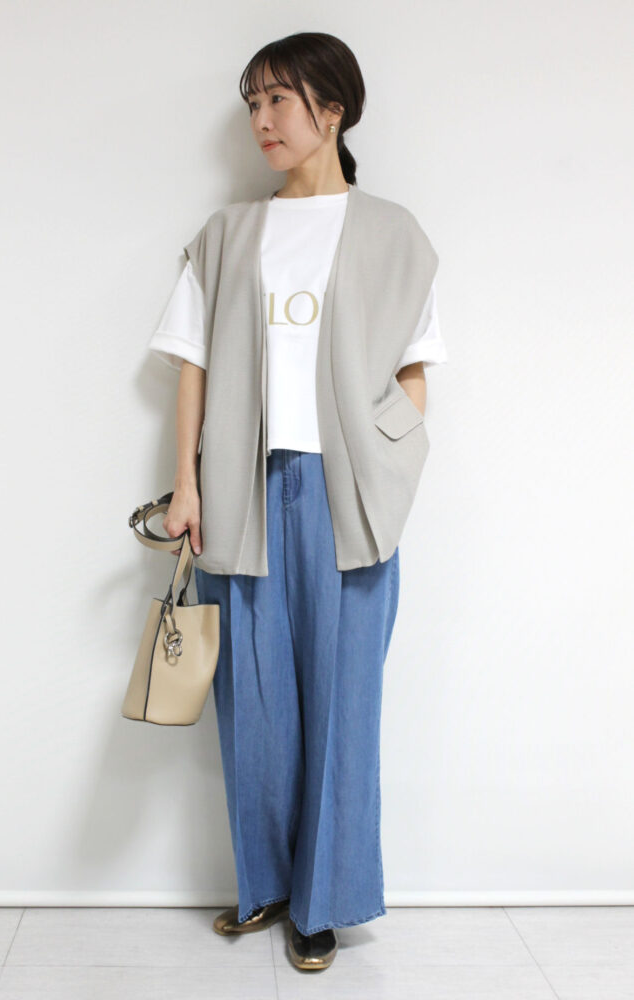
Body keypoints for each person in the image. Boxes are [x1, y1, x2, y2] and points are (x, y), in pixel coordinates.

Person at [147, 32, 447, 972]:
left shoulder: (393, 233)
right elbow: (192, 364)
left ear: (333, 109)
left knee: (343, 705)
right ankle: (269, 886)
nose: (262, 120)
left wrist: (386, 462)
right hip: (243, 487)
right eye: (253, 103)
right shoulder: (228, 233)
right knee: (255, 704)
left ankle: (324, 904)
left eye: (279, 99)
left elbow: (416, 365)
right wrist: (189, 482)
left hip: (345, 496)